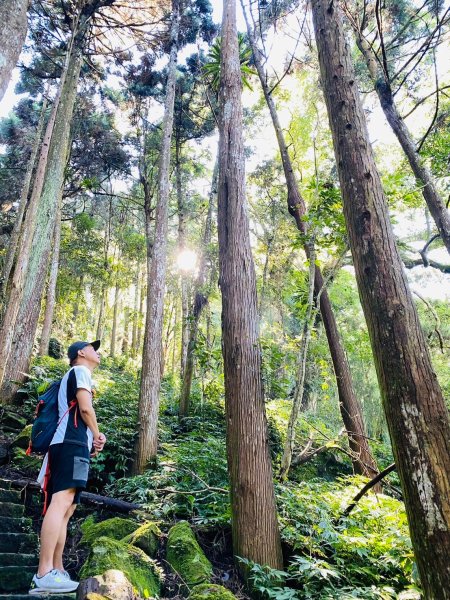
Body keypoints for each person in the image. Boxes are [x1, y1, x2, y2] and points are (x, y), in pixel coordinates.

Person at [29, 340, 106, 595]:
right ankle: (43, 572)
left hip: (72, 443)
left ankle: (57, 569)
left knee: (68, 507)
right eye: (93, 348)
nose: (97, 352)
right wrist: (97, 434)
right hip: (69, 442)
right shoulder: (80, 371)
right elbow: (85, 407)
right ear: (81, 353)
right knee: (61, 503)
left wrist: (91, 440)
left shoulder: (73, 375)